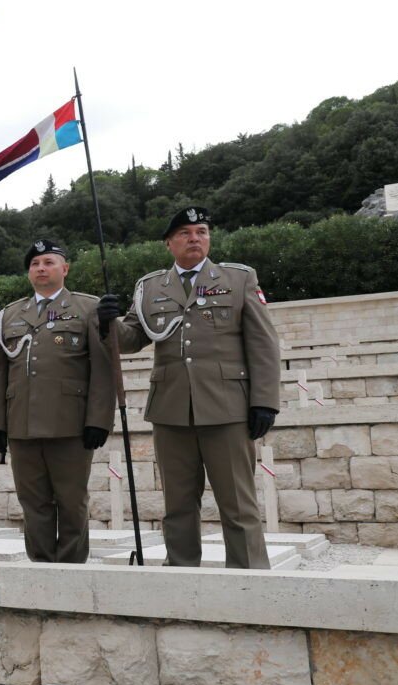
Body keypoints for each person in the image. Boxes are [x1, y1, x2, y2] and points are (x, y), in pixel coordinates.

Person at [97, 207, 281, 569]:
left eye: (201, 231)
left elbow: (263, 343)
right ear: (169, 243)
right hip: (171, 409)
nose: (194, 238)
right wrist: (108, 323)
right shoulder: (150, 287)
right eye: (184, 233)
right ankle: (181, 575)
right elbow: (133, 338)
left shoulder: (238, 278)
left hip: (227, 407)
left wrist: (265, 402)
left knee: (238, 503)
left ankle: (250, 579)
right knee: (178, 504)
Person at [0, 240, 115, 563]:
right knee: (33, 504)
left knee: (72, 502)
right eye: (35, 264)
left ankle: (71, 570)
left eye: (48, 262)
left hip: (69, 425)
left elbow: (102, 368)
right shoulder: (10, 315)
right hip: (22, 426)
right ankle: (41, 569)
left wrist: (98, 420)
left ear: (65, 269)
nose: (41, 268)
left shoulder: (88, 309)